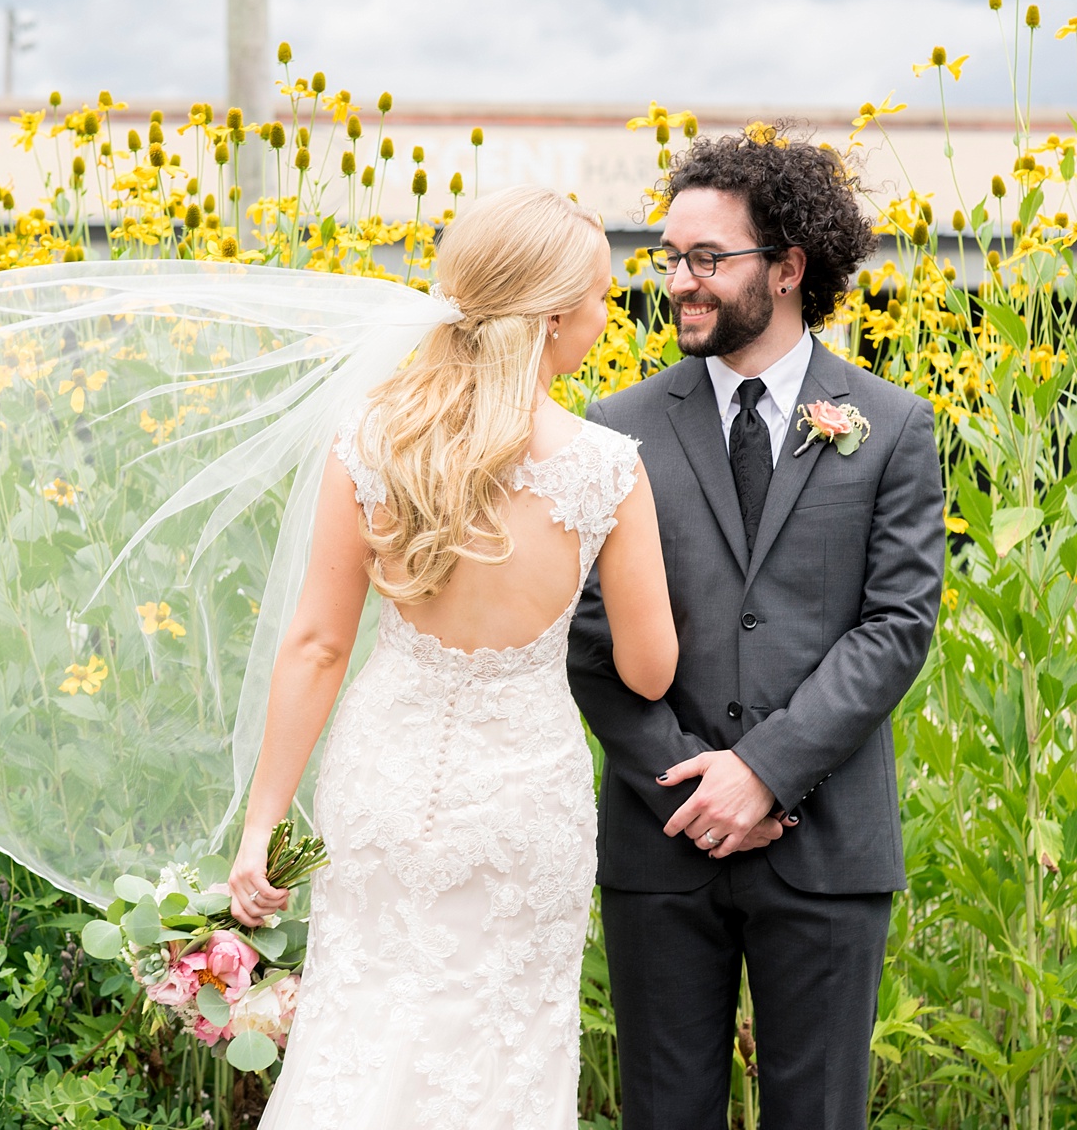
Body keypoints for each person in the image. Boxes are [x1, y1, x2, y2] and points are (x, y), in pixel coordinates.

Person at [224, 185, 680, 1129]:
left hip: (384, 785)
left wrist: (261, 822)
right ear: (555, 316)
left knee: (364, 1021)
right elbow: (649, 670)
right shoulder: (606, 469)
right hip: (524, 802)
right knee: (503, 1046)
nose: (606, 317)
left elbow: (316, 644)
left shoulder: (374, 443)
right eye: (599, 298)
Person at [567, 127, 945, 1129]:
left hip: (825, 845)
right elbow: (589, 641)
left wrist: (764, 770)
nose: (679, 281)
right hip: (661, 839)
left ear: (784, 268)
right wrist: (691, 783)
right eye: (669, 257)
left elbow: (895, 624)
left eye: (706, 259)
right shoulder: (614, 427)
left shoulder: (891, 426)